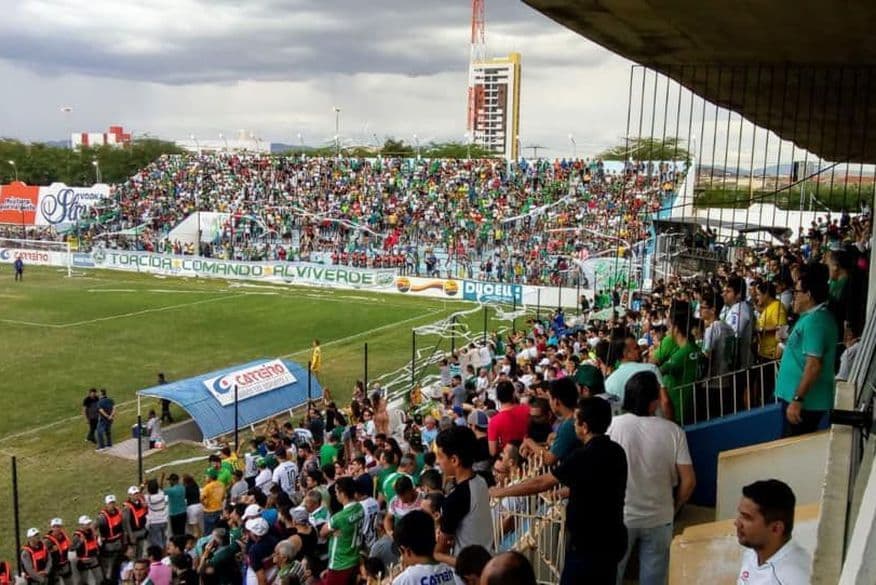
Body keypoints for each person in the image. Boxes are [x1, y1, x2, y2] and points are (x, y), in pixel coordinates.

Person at [490, 397, 627, 584]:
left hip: (589, 545)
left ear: (584, 427)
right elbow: (595, 486)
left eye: (575, 422)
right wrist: (562, 493)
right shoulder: (616, 451)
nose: (573, 426)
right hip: (613, 537)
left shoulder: (583, 456)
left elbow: (541, 483)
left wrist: (502, 492)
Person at [610, 372, 696, 585]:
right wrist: (674, 507)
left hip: (621, 516)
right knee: (654, 577)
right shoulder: (673, 432)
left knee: (612, 573)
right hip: (660, 517)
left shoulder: (611, 426)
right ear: (654, 402)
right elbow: (689, 481)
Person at [775, 264, 838, 436]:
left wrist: (797, 399)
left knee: (792, 454)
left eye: (796, 292)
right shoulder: (810, 319)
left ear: (808, 295)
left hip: (805, 404)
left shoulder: (815, 322)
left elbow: (813, 366)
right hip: (798, 401)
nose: (793, 297)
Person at [735, 479, 812, 584]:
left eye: (747, 517)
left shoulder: (796, 578)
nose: (737, 523)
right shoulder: (753, 552)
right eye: (740, 515)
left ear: (776, 528)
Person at [435, 426, 493, 557]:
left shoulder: (455, 498)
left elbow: (442, 547)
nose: (438, 462)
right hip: (486, 556)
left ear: (454, 460)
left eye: (440, 456)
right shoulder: (480, 480)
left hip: (466, 570)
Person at [390, 510, 463, 585]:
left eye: (401, 553)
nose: (402, 559)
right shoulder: (451, 568)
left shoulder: (405, 580)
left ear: (407, 551)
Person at [319, 476, 364, 585]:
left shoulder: (338, 518)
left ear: (343, 494)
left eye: (336, 492)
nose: (335, 494)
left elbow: (322, 533)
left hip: (339, 564)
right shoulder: (360, 508)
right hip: (354, 559)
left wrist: (332, 532)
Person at [487, 381, 529, 457]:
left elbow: (492, 451)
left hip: (509, 460)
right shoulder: (527, 410)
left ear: (497, 398)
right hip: (529, 454)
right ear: (513, 394)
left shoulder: (494, 421)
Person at [98, 494, 125, 584]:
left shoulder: (118, 511)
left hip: (119, 543)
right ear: (106, 504)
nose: (112, 505)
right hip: (109, 546)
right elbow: (94, 527)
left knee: (119, 565)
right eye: (110, 503)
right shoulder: (102, 517)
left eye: (113, 503)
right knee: (109, 568)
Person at [71, 516, 101, 585]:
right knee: (83, 582)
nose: (89, 525)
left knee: (99, 579)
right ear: (81, 525)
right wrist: (80, 542)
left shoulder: (92, 531)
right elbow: (72, 548)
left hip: (94, 559)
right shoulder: (77, 536)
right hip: (83, 561)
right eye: (87, 524)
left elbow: (95, 543)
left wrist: (97, 537)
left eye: (89, 523)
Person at [123, 486, 149, 558]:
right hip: (134, 533)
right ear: (130, 495)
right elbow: (126, 524)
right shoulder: (127, 507)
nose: (136, 495)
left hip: (141, 531)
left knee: (140, 551)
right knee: (133, 554)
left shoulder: (140, 502)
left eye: (137, 493)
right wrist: (131, 537)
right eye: (134, 494)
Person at [45, 518, 73, 585]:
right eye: (54, 527)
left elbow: (70, 547)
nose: (56, 529)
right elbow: (44, 555)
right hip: (55, 568)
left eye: (58, 526)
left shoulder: (64, 536)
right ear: (51, 528)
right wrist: (51, 550)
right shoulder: (47, 541)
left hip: (65, 564)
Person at [144, 478, 168, 548]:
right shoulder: (161, 494)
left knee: (157, 544)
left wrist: (143, 485)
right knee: (163, 541)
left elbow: (139, 494)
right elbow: (160, 488)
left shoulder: (148, 498)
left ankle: (159, 557)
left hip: (154, 522)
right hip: (164, 521)